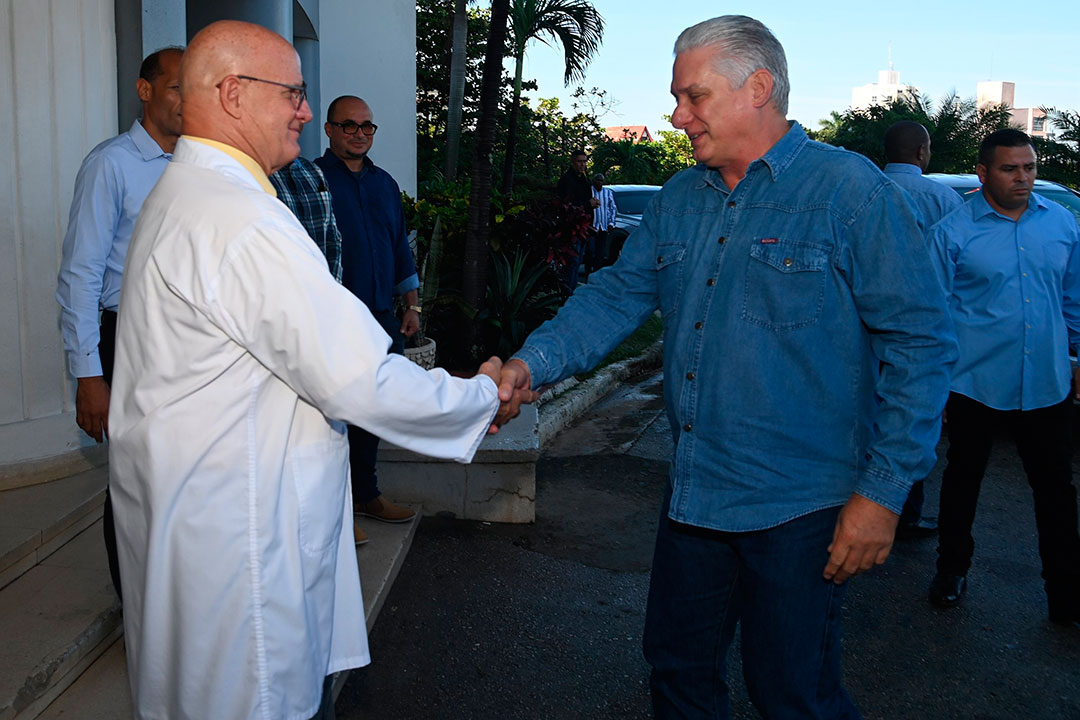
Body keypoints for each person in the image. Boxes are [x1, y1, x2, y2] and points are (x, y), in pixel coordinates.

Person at [495, 15, 957, 717]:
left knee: (794, 695)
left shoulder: (850, 193)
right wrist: (531, 365)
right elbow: (616, 296)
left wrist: (884, 493)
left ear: (759, 88)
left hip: (802, 507)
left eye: (693, 96)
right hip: (694, 496)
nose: (676, 115)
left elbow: (921, 344)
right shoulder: (680, 199)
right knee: (678, 674)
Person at [108, 20, 516, 719]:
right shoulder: (238, 220)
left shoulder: (189, 195)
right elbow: (356, 377)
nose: (305, 109)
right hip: (239, 547)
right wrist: (479, 396)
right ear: (233, 94)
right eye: (293, 93)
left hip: (206, 526)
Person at [926, 128, 1080, 629]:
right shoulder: (954, 230)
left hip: (1045, 382)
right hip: (974, 382)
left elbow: (1073, 299)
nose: (1023, 178)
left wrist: (1075, 357)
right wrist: (935, 382)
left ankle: (1065, 595)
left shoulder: (1060, 223)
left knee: (1056, 491)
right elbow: (934, 313)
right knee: (963, 480)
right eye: (1011, 169)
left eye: (1030, 167)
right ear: (984, 172)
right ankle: (951, 570)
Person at [55, 46, 183, 599]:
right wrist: (89, 374)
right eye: (176, 86)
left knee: (184, 474)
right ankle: (137, 608)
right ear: (145, 89)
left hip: (188, 343)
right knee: (135, 481)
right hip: (126, 338)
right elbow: (79, 275)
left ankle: (178, 603)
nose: (186, 98)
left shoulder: (200, 164)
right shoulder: (111, 165)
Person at [315, 96, 420, 540]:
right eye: (349, 125)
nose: (359, 133)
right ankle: (335, 511)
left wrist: (411, 304)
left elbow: (399, 245)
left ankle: (366, 495)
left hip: (379, 316)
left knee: (371, 409)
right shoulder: (313, 180)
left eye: (367, 127)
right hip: (332, 318)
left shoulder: (385, 184)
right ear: (330, 130)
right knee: (332, 415)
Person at [882, 120, 964, 539]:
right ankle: (905, 513)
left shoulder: (864, 192)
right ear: (921, 152)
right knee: (910, 414)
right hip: (919, 323)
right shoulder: (944, 199)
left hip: (865, 322)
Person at [270, 156, 343, 283]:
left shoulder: (311, 170)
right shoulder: (252, 175)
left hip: (323, 290)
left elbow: (332, 238)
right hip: (280, 291)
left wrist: (331, 286)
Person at [556, 150, 599, 289]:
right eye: (580, 161)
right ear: (573, 162)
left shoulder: (584, 179)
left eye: (584, 161)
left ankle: (571, 290)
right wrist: (588, 204)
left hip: (584, 227)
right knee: (572, 262)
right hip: (572, 228)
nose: (582, 165)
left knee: (578, 260)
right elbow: (566, 205)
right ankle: (567, 292)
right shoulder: (567, 180)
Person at [587, 172, 617, 275]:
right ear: (593, 181)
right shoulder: (589, 191)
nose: (599, 182)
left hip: (603, 226)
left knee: (600, 251)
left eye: (601, 180)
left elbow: (612, 208)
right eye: (597, 180)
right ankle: (588, 270)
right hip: (591, 226)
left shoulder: (607, 192)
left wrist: (611, 223)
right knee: (590, 250)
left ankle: (597, 272)